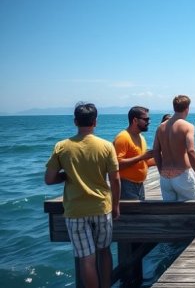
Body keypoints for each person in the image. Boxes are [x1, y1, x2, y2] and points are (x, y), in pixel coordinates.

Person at [45, 103, 120, 288]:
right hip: (102, 207)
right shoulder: (106, 146)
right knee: (104, 252)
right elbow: (116, 179)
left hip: (75, 210)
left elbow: (49, 179)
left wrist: (67, 175)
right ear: (95, 121)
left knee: (86, 258)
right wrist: (116, 205)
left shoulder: (62, 147)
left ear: (75, 121)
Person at [153, 95, 195, 201]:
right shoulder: (188, 126)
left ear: (174, 108)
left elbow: (156, 151)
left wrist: (161, 171)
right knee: (192, 211)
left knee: (171, 214)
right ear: (187, 109)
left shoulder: (160, 127)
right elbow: (191, 151)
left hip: (165, 177)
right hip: (182, 174)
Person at [113, 106, 154, 200]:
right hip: (126, 185)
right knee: (131, 214)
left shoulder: (141, 137)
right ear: (135, 120)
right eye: (146, 119)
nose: (149, 122)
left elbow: (143, 162)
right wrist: (141, 157)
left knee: (140, 214)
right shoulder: (123, 137)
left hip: (140, 185)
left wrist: (162, 159)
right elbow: (116, 164)